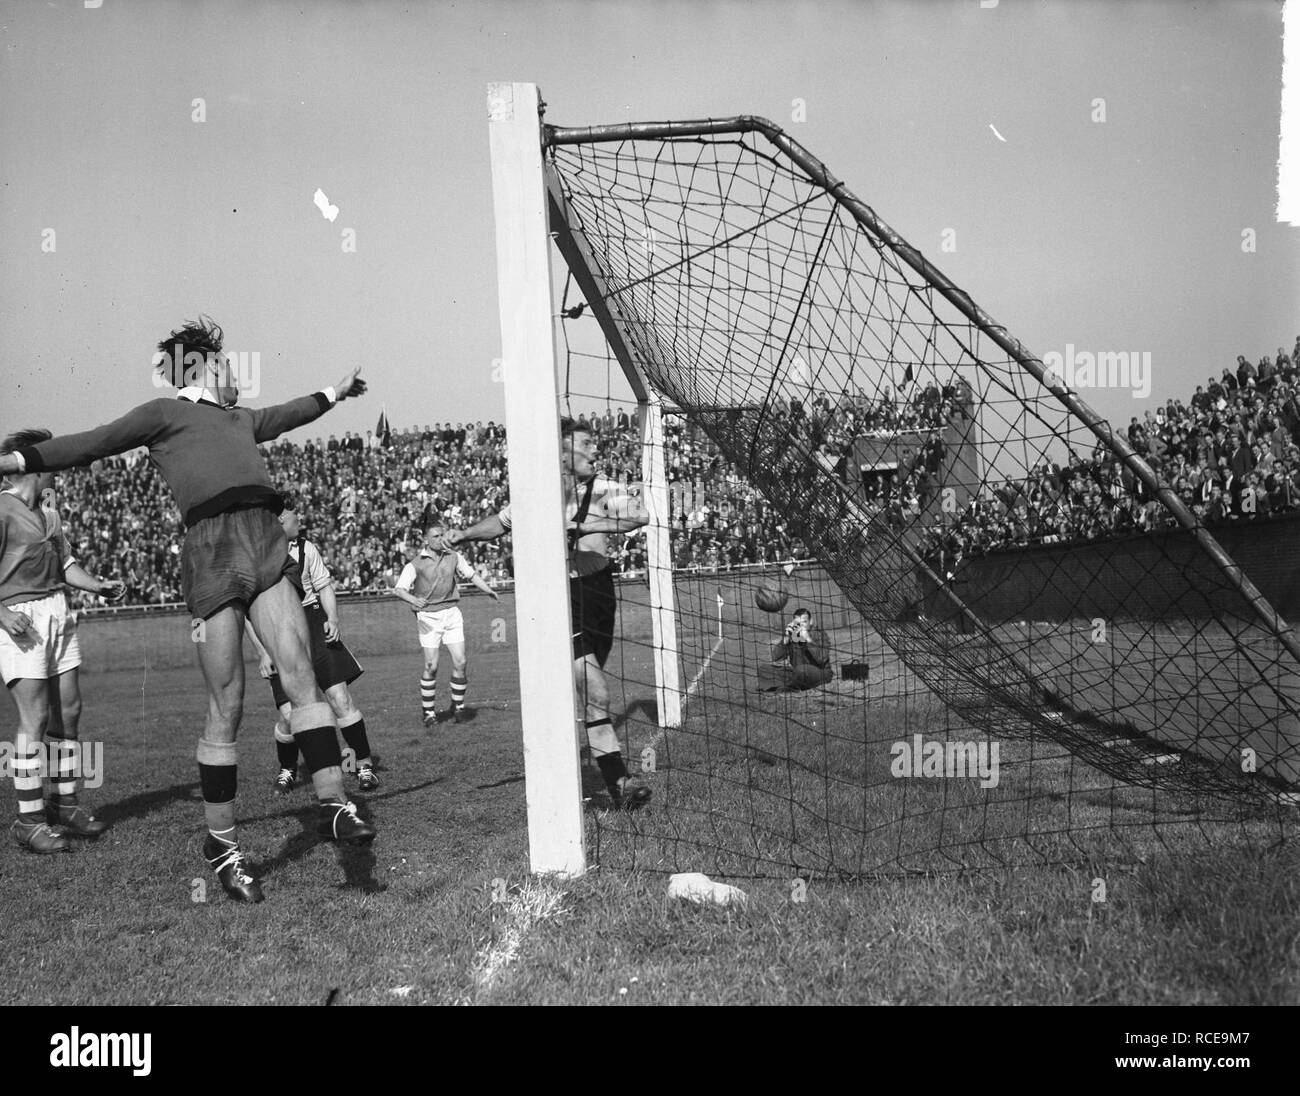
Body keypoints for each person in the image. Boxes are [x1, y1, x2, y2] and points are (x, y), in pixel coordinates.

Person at [0, 317, 374, 903]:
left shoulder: (241, 420)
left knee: (301, 675)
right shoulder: (164, 414)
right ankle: (222, 845)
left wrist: (334, 392)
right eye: (227, 366)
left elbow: (291, 413)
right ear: (200, 368)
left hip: (264, 538)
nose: (237, 377)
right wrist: (15, 462)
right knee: (228, 699)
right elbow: (92, 442)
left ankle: (333, 802)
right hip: (211, 550)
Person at [444, 418, 652, 809]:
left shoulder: (604, 488)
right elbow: (502, 523)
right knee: (596, 691)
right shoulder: (539, 492)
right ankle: (619, 783)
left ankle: (575, 766)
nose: (595, 450)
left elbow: (640, 515)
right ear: (562, 452)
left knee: (591, 693)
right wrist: (464, 534)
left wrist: (583, 523)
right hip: (562, 597)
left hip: (600, 593)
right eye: (586, 443)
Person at [1, 431, 126, 853]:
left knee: (68, 711)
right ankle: (29, 820)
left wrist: (98, 586)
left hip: (57, 611)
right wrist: (3, 616)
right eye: (48, 457)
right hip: (21, 618)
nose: (57, 464)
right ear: (28, 464)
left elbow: (66, 563)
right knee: (33, 718)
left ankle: (65, 802)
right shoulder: (1, 509)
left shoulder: (48, 511)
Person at [243, 503, 378, 795]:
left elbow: (324, 586)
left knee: (339, 697)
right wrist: (262, 652)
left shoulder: (306, 548)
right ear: (280, 519)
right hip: (278, 629)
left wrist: (333, 618)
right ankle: (288, 769)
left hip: (314, 621)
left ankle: (361, 765)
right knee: (289, 714)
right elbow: (248, 613)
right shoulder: (257, 555)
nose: (300, 518)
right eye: (295, 514)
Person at [389, 523, 499, 725]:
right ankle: (429, 713)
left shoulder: (454, 556)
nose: (441, 539)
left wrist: (488, 590)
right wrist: (414, 600)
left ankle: (457, 708)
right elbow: (399, 589)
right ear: (426, 540)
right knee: (431, 665)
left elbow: (471, 574)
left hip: (451, 613)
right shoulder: (415, 564)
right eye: (436, 536)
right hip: (428, 617)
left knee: (461, 661)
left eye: (442, 535)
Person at [771, 607, 834, 689]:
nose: (800, 626)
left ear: (811, 621)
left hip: (820, 672)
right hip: (797, 672)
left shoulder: (820, 634)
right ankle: (793, 682)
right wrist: (785, 640)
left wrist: (808, 639)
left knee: (801, 670)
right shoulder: (793, 635)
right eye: (798, 623)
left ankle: (791, 684)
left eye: (804, 622)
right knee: (765, 670)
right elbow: (776, 657)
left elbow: (822, 659)